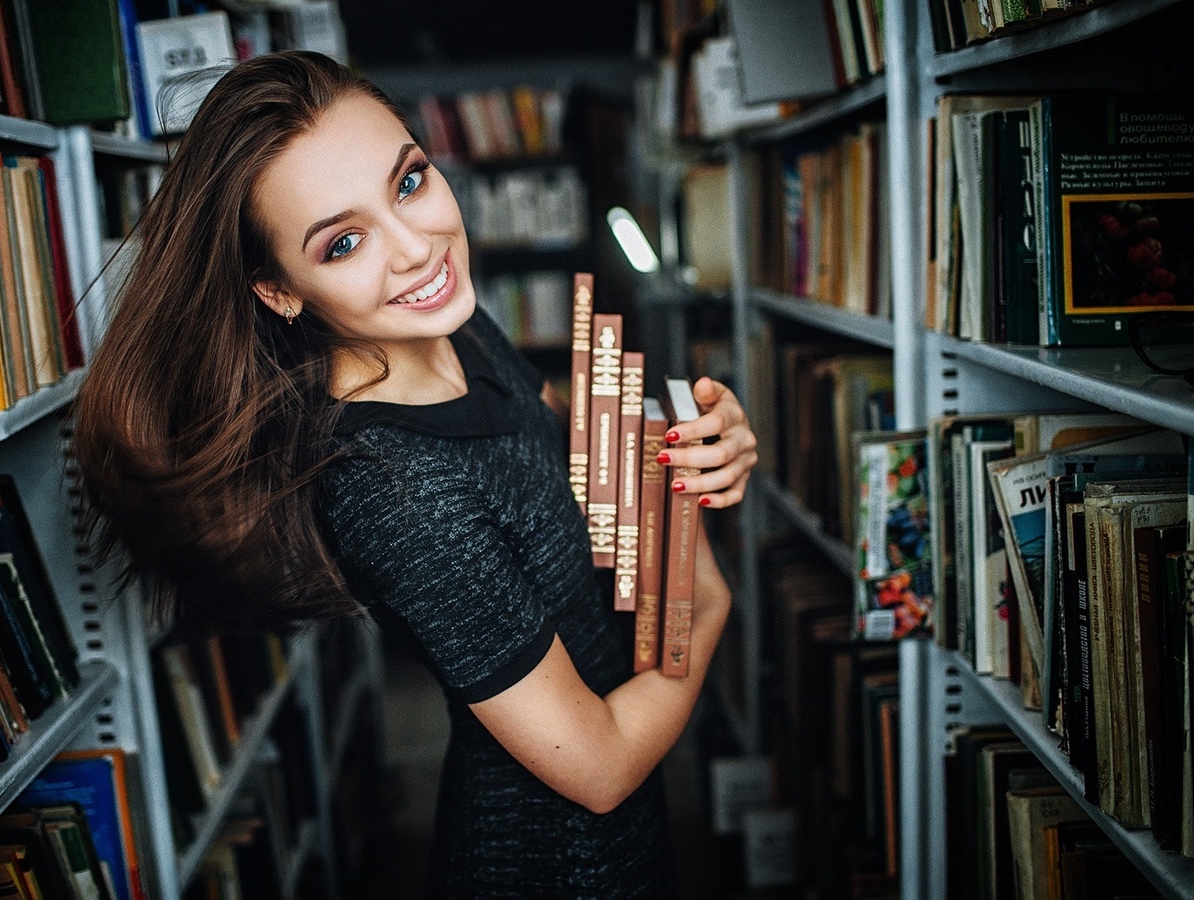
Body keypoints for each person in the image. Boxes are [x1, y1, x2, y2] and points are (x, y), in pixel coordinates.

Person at [73, 50, 758, 898]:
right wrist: (704, 602)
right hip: (550, 866)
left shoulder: (456, 335)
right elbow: (602, 765)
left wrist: (690, 445)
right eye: (344, 242)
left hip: (631, 830)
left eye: (408, 183)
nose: (417, 249)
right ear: (279, 291)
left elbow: (556, 469)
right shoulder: (394, 489)